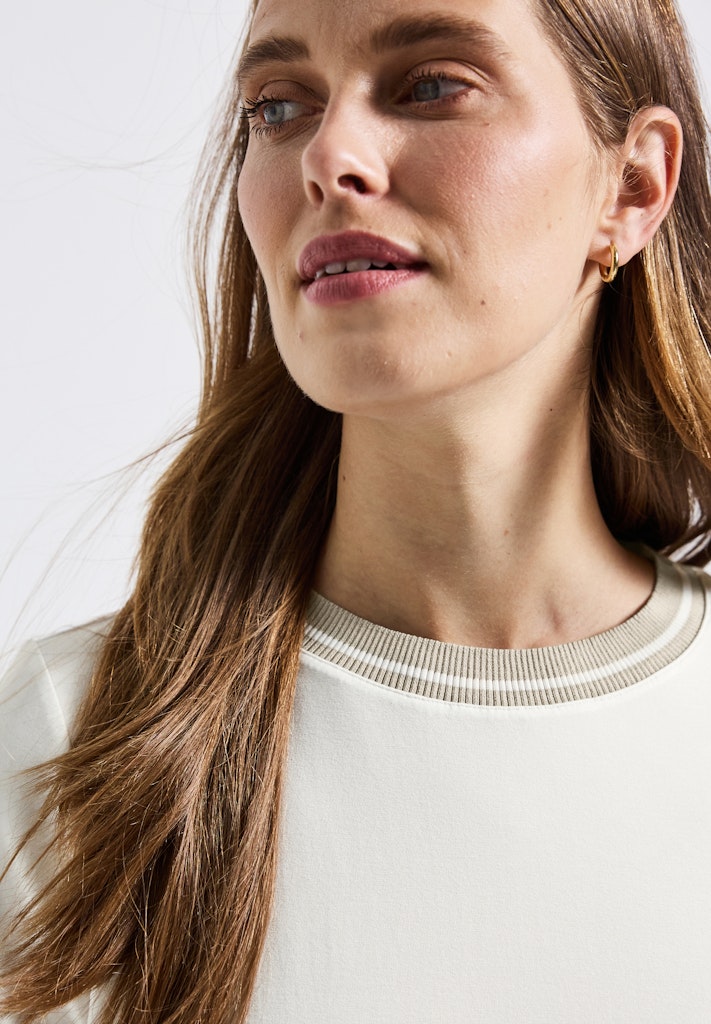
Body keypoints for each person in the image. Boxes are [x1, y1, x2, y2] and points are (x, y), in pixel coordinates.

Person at [2, 0, 711, 1020]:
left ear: (633, 185)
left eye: (431, 86)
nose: (326, 157)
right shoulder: (69, 745)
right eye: (278, 106)